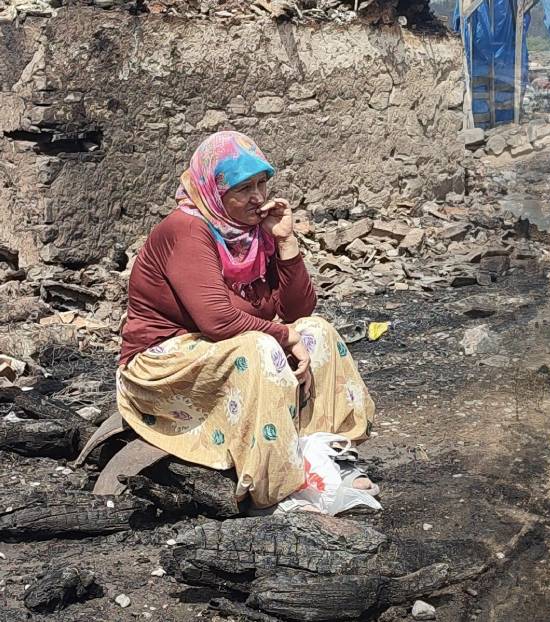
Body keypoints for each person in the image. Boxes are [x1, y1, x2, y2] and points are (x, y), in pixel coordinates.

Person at [116, 131, 374, 509]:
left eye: (262, 183)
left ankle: (325, 455)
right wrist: (284, 336)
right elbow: (217, 320)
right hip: (163, 363)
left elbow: (298, 311)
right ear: (214, 193)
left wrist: (285, 242)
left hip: (218, 349)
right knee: (260, 347)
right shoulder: (186, 229)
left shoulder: (253, 235)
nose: (258, 197)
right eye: (243, 188)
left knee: (317, 331)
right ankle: (275, 485)